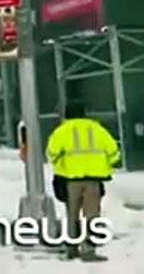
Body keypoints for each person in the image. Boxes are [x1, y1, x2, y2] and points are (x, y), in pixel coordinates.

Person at [46, 102, 120, 261]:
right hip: (93, 179)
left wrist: (62, 167)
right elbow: (114, 152)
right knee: (92, 215)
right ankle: (89, 250)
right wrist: (105, 165)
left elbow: (52, 153)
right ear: (85, 113)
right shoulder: (97, 129)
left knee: (72, 213)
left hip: (71, 180)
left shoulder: (62, 131)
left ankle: (72, 247)